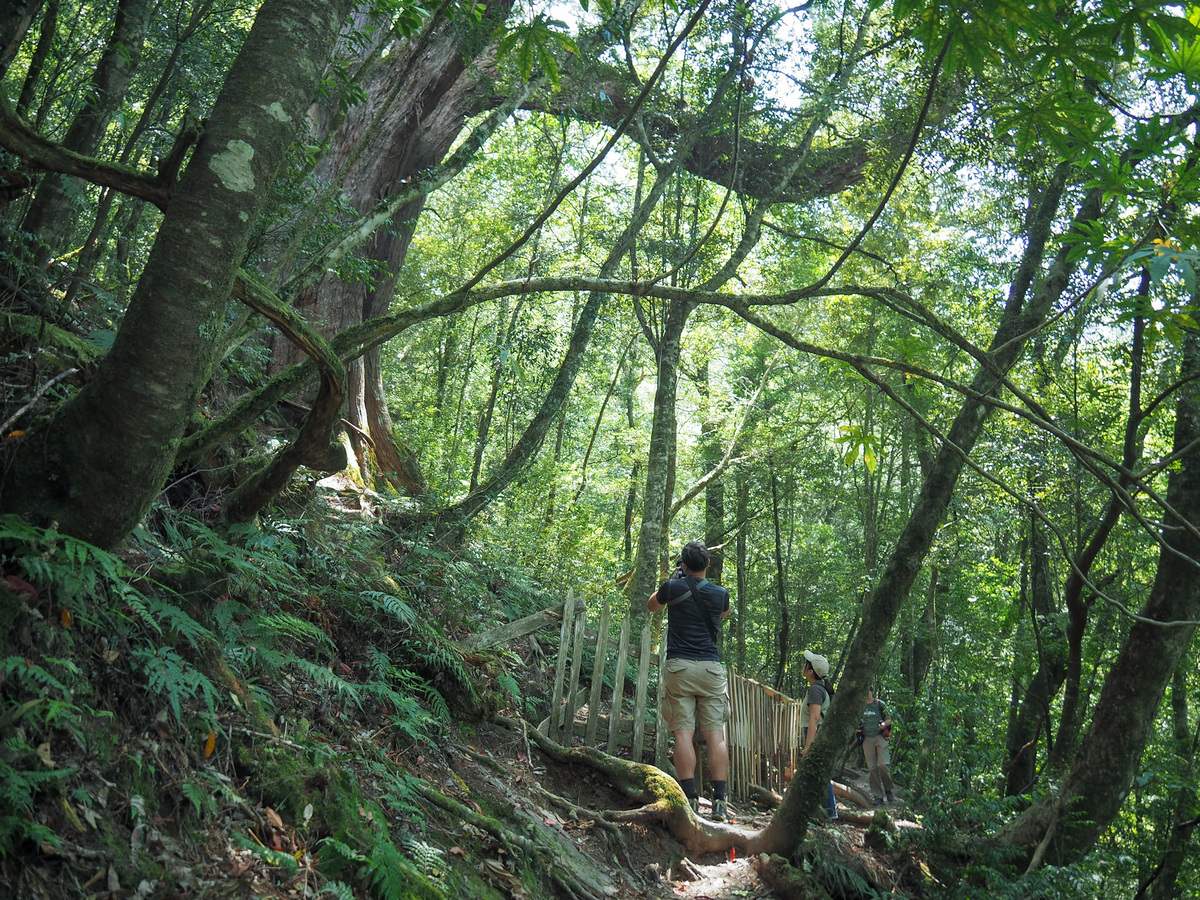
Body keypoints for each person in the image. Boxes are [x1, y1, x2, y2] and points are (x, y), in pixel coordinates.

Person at [647, 540, 732, 821]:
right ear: (707, 564)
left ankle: (691, 800)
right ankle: (720, 802)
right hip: (710, 669)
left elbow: (651, 606)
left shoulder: (673, 587)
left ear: (683, 564)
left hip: (680, 668)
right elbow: (723, 614)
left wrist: (674, 580)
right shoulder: (721, 593)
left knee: (682, 733)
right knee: (715, 736)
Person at [800, 649, 838, 821]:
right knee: (819, 773)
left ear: (810, 671)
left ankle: (829, 812)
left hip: (814, 733)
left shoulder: (815, 690)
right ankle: (825, 811)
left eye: (806, 663)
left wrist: (808, 746)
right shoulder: (820, 688)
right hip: (817, 733)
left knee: (819, 774)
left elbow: (814, 718)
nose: (804, 665)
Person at [859, 686, 896, 805]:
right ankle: (878, 796)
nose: (866, 694)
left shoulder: (880, 704)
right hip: (867, 738)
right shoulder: (860, 706)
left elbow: (889, 718)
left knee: (882, 764)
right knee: (872, 768)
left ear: (871, 692)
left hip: (880, 736)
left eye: (868, 691)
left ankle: (888, 789)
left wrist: (884, 724)